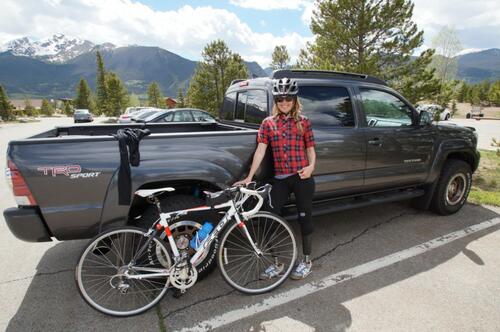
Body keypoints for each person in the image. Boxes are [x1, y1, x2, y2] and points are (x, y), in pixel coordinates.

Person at [233, 77, 316, 279]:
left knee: (304, 218)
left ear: (295, 100)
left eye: (288, 99)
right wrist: (249, 176)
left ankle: (306, 261)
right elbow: (260, 152)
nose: (284, 103)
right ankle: (277, 263)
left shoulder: (303, 122)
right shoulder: (268, 124)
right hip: (280, 179)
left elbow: (311, 149)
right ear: (275, 101)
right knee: (269, 219)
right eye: (280, 99)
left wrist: (311, 167)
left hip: (301, 177)